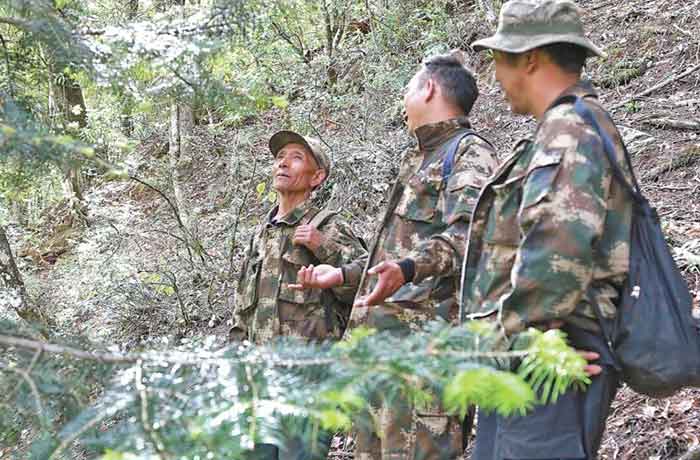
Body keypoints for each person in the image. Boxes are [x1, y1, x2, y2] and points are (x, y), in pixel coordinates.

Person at [292, 51, 499, 460]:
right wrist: (346, 276)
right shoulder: (418, 159)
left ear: (428, 88)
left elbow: (468, 238)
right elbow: (389, 256)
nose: (403, 100)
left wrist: (407, 269)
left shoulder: (469, 154)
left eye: (408, 88)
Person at [464, 0, 632, 458]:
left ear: (530, 57)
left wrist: (508, 339)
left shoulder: (570, 130)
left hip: (548, 354)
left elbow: (557, 254)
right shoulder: (569, 126)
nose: (495, 75)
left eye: (499, 59)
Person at [229, 130, 367, 460]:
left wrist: (323, 246)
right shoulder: (261, 234)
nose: (283, 163)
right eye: (280, 157)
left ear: (317, 177)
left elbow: (367, 281)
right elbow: (242, 306)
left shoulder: (327, 225)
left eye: (296, 157)